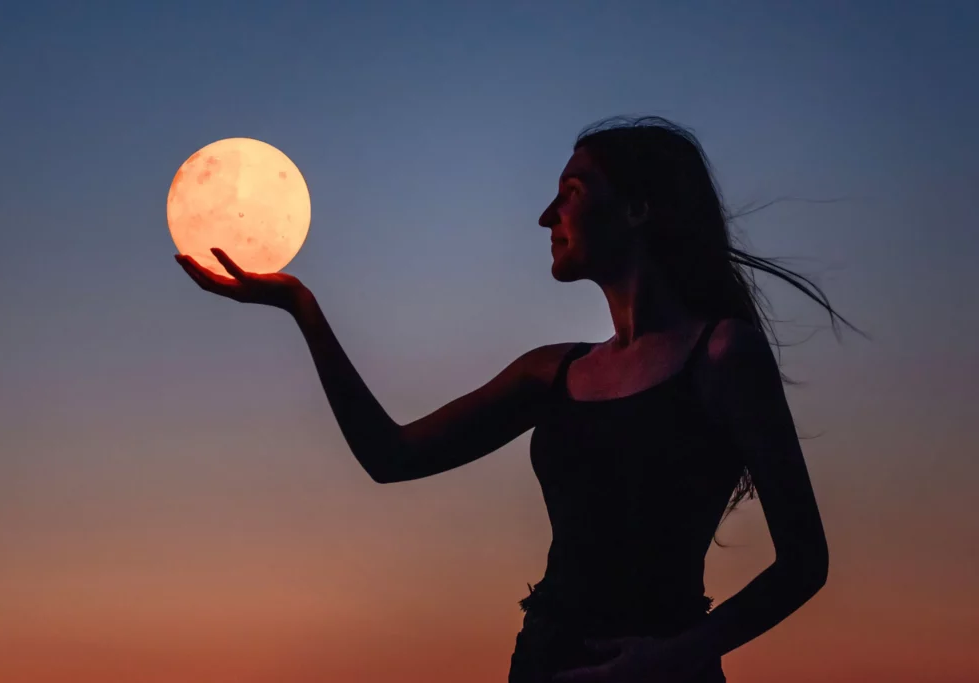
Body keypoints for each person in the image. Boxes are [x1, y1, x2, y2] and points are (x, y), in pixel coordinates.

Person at [176, 116, 862, 682]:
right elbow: (390, 455)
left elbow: (805, 562)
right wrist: (301, 305)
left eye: (570, 191)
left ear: (638, 208)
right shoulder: (551, 373)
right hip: (542, 665)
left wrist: (670, 658)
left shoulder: (722, 355)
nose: (546, 215)